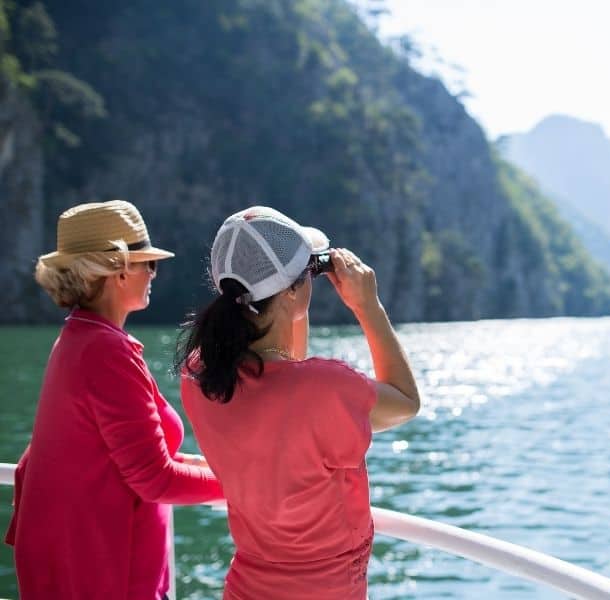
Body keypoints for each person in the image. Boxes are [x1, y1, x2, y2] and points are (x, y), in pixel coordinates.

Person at [175, 206, 420, 600]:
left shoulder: (200, 375)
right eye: (309, 272)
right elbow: (406, 401)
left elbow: (285, 372)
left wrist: (294, 295)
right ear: (290, 291)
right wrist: (367, 305)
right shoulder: (325, 389)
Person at [4, 200, 224, 600]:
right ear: (119, 269)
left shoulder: (78, 339)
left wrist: (223, 468)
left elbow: (126, 455)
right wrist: (242, 485)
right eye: (148, 264)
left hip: (86, 569)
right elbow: (155, 478)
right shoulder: (105, 352)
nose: (154, 274)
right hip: (111, 579)